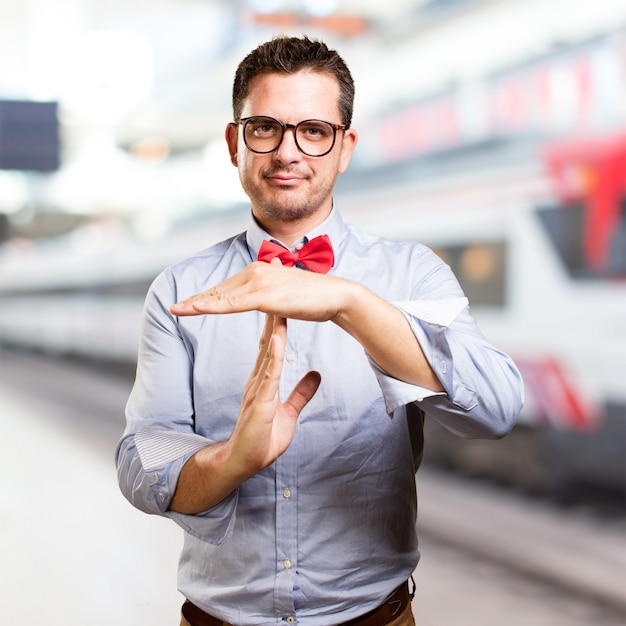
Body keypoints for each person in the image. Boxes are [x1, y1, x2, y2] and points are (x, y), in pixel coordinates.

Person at [116, 35, 523, 626]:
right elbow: (141, 463)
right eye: (264, 128)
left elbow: (496, 410)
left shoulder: (411, 274)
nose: (288, 152)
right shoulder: (180, 292)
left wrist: (348, 301)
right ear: (235, 143)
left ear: (345, 147)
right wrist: (234, 460)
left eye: (314, 129)